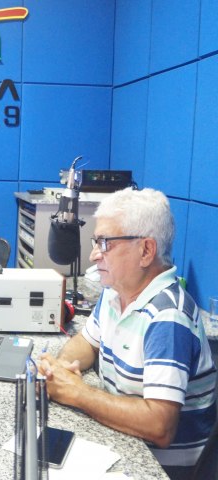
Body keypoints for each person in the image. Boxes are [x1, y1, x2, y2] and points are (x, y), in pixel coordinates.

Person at [39, 187, 216, 479]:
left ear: (146, 250)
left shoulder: (168, 317)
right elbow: (86, 342)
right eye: (96, 242)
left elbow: (159, 425)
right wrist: (58, 370)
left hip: (160, 468)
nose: (94, 255)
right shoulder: (115, 292)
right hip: (125, 442)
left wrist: (77, 393)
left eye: (105, 243)